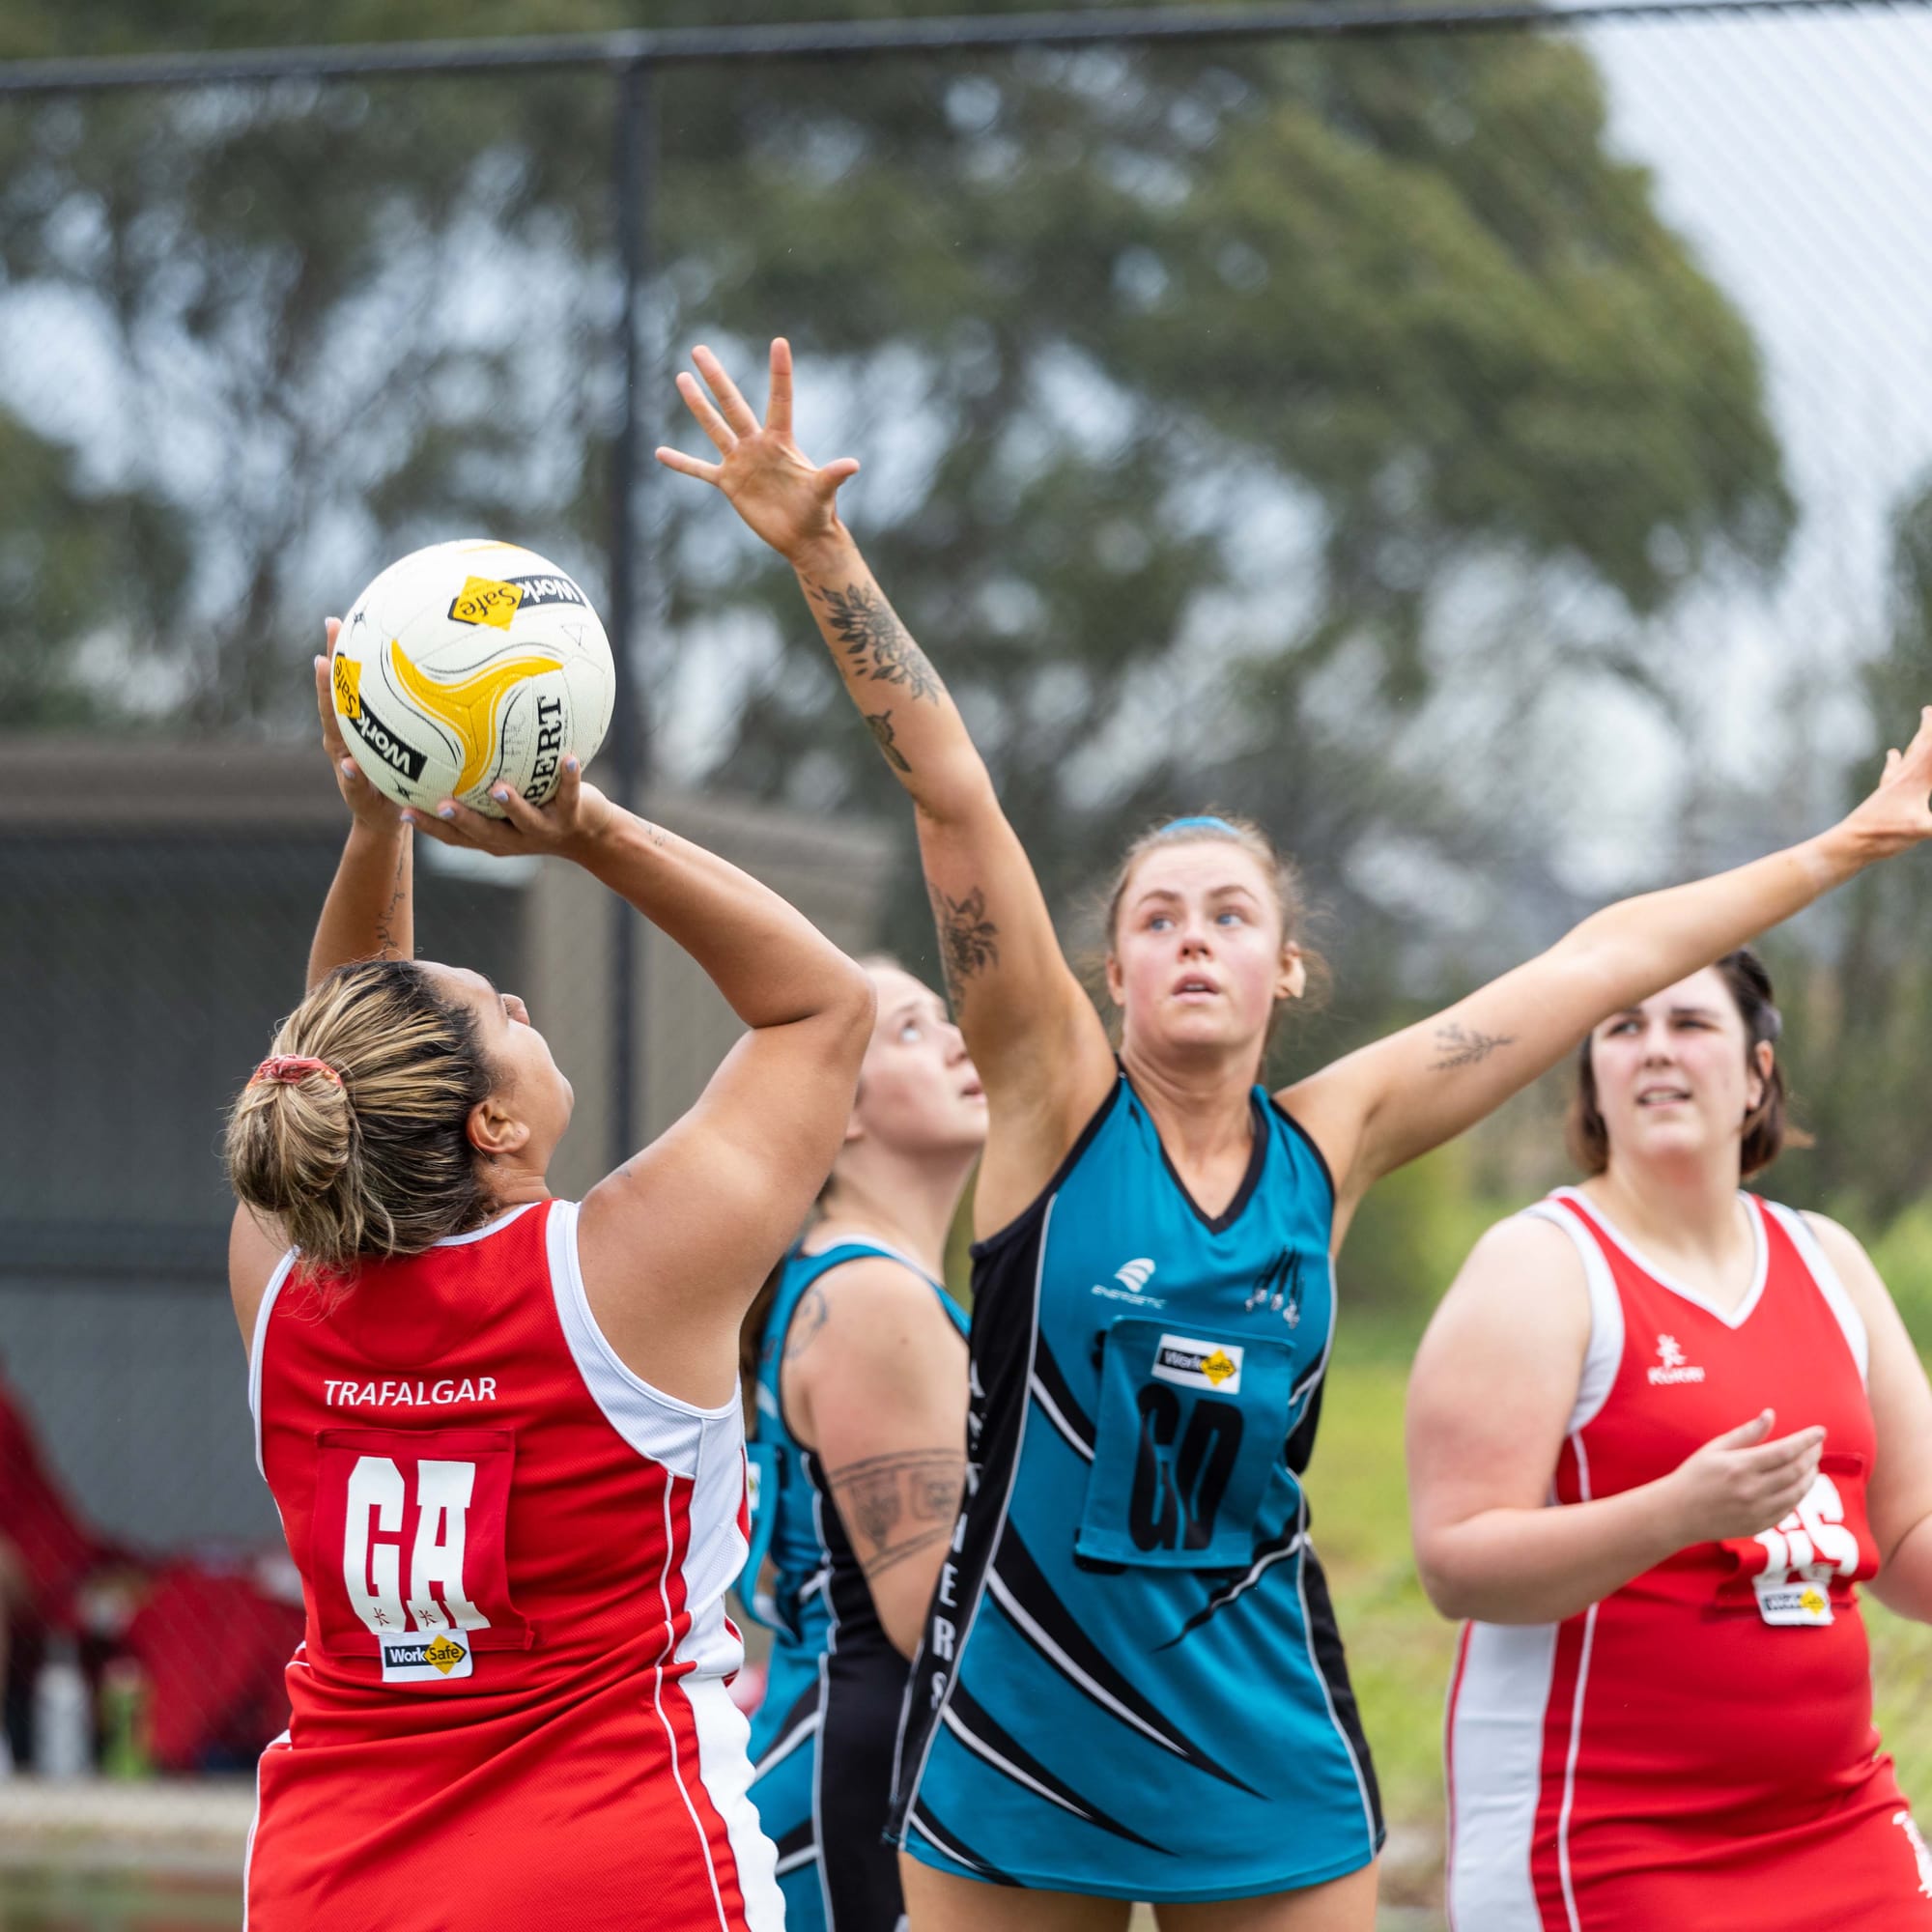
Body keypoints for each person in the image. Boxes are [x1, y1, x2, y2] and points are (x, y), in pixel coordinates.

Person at [657, 338, 1932, 1929]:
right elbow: (954, 794)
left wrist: (1849, 841)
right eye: (1158, 917)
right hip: (1021, 1733)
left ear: (1286, 966)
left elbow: (1598, 960)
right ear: (1108, 970)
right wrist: (823, 549)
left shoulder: (1336, 1139)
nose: (1194, 937)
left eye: (1232, 914)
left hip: (1257, 1739)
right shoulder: (1055, 1105)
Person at [228, 627, 874, 1931]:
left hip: (329, 1885)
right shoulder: (623, 1273)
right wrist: (588, 833)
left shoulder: (283, 1285)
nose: (522, 1000)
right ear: (494, 1128)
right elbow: (821, 1009)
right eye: (498, 1013)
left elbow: (341, 1057)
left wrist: (375, 831)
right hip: (617, 1874)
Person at [1407, 950, 1932, 1930]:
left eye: (1688, 1024)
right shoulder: (1537, 1265)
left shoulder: (1828, 1262)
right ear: (1593, 1082)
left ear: (1755, 1073)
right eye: (1621, 1026)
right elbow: (1456, 1565)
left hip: (1836, 1816)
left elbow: (1905, 1543)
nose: (1653, 1048)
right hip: (1610, 1837)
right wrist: (1677, 1512)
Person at [738, 958, 985, 1930]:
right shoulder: (872, 1298)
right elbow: (931, 1609)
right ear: (837, 1108)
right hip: (857, 1796)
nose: (961, 1038)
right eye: (913, 1030)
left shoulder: (856, 1280)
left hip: (854, 1763)